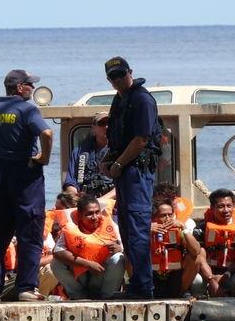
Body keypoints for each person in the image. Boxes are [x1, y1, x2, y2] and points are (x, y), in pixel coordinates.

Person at [0, 69, 52, 302]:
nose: (32, 88)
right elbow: (47, 133)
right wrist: (45, 158)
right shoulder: (27, 109)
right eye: (29, 85)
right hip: (25, 177)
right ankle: (26, 287)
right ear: (19, 88)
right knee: (29, 232)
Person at [100, 56, 160, 300]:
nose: (117, 80)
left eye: (120, 75)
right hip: (124, 172)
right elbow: (118, 137)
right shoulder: (120, 99)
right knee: (126, 227)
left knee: (137, 227)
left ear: (130, 72)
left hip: (136, 172)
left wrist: (117, 164)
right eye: (112, 77)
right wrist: (108, 161)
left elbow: (141, 139)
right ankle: (137, 283)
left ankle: (144, 286)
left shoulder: (141, 99)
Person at [50, 195, 125, 300]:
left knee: (118, 258)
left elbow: (124, 247)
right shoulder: (71, 227)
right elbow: (57, 252)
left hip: (100, 275)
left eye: (97, 212)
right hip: (80, 276)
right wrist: (88, 264)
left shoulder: (111, 225)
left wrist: (120, 248)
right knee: (55, 263)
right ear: (80, 215)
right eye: (89, 214)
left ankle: (107, 297)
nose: (95, 217)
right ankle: (77, 296)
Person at [192, 188, 235, 297]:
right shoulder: (201, 228)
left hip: (233, 273)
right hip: (209, 274)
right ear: (212, 208)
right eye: (221, 206)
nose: (226, 210)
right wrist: (211, 280)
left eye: (229, 206)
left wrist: (226, 275)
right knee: (196, 281)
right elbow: (200, 256)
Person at [150, 198, 203, 298]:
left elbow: (196, 251)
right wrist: (146, 231)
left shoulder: (180, 230)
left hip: (175, 275)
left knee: (196, 258)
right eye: (163, 215)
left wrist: (183, 227)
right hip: (153, 275)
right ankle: (142, 292)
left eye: (170, 215)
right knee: (129, 257)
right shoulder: (147, 230)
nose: (168, 218)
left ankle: (181, 292)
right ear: (155, 217)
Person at [63, 112, 115, 199]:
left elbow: (125, 184)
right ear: (94, 127)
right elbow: (70, 182)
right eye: (101, 123)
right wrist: (75, 197)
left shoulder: (120, 152)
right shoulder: (78, 152)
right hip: (85, 202)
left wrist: (101, 201)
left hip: (112, 203)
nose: (106, 127)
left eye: (109, 123)